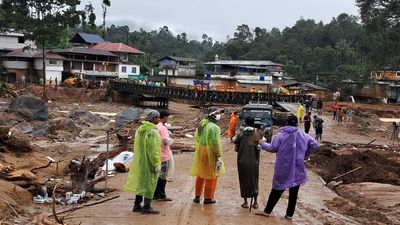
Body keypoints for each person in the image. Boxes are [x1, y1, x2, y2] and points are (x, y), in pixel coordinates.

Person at [257, 115, 318, 220]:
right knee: (294, 192)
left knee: (277, 189)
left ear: (286, 123)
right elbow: (314, 144)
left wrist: (262, 143)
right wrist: (305, 155)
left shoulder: (281, 135)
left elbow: (272, 148)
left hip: (283, 167)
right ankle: (289, 215)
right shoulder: (303, 135)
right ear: (296, 124)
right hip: (298, 168)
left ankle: (267, 211)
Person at [124, 110, 161, 214]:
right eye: (157, 117)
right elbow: (153, 150)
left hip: (140, 161)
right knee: (150, 184)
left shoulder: (140, 129)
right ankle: (147, 206)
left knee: (141, 183)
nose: (159, 119)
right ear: (153, 118)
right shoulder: (153, 132)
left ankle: (137, 204)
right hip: (149, 162)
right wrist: (156, 163)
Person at [190, 107, 225, 204]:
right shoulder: (214, 128)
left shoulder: (202, 124)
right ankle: (208, 198)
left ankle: (197, 196)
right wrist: (218, 154)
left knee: (201, 173)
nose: (219, 115)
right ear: (213, 115)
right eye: (217, 113)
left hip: (201, 150)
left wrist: (200, 146)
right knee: (211, 174)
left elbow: (197, 137)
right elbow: (215, 143)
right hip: (210, 151)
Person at [234, 117, 263, 209]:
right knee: (254, 179)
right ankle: (255, 202)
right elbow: (260, 145)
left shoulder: (241, 134)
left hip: (242, 160)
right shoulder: (257, 134)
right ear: (253, 123)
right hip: (254, 161)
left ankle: (245, 202)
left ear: (246, 123)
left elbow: (235, 143)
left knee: (243, 180)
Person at [154, 109, 173, 201]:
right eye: (167, 117)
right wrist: (170, 141)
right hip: (163, 155)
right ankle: (162, 195)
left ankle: (155, 194)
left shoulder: (155, 127)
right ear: (164, 117)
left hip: (156, 154)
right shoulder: (163, 128)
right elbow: (165, 141)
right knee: (162, 176)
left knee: (156, 175)